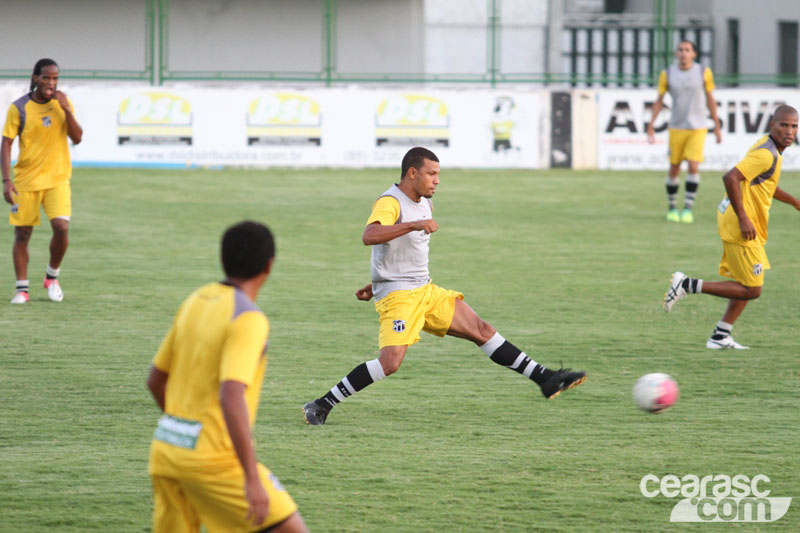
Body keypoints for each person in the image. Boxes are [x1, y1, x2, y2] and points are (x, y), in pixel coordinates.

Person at [303, 147, 586, 425]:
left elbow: (402, 252)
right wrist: (412, 227)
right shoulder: (390, 202)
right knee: (390, 363)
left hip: (425, 291)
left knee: (482, 330)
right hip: (400, 297)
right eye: (432, 173)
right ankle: (321, 404)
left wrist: (375, 280)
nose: (437, 180)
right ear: (412, 173)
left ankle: (545, 378)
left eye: (438, 174)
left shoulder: (425, 202)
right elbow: (370, 235)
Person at [147, 221, 308, 533]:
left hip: (166, 451)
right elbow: (231, 395)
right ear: (269, 265)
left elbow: (155, 380)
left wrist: (183, 427)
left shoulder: (196, 300)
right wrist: (250, 478)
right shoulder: (248, 318)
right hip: (214, 462)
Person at [664, 105, 799, 349]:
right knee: (752, 289)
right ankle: (686, 284)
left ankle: (720, 335)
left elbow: (765, 184)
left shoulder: (770, 148)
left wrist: (794, 202)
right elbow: (730, 177)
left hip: (738, 219)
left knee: (744, 281)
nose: (789, 131)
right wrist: (744, 218)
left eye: (794, 126)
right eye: (784, 125)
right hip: (742, 224)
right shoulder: (766, 154)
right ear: (772, 126)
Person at [2, 58, 82, 304]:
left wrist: (67, 109)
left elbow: (77, 137)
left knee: (62, 227)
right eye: (46, 77)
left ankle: (52, 276)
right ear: (35, 78)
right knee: (23, 234)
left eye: (55, 78)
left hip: (57, 179)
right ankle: (22, 290)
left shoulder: (62, 104)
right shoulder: (19, 108)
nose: (51, 82)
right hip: (26, 181)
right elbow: (6, 143)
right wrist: (6, 180)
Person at [647, 40, 721, 224]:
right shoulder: (668, 74)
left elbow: (710, 98)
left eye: (687, 50)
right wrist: (651, 123)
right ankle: (672, 207)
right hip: (676, 127)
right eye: (680, 50)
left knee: (693, 166)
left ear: (694, 54)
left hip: (697, 128)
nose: (683, 53)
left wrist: (717, 124)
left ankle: (687, 208)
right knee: (674, 167)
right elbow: (659, 100)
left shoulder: (704, 72)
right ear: (676, 54)